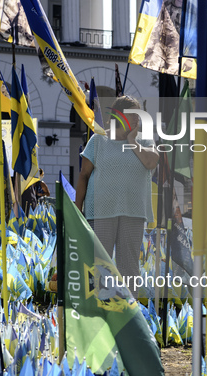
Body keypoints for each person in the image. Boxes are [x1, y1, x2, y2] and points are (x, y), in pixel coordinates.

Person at [76, 95, 159, 281]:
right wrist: (77, 208)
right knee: (99, 265)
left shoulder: (145, 141)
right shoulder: (98, 140)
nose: (137, 117)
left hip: (133, 212)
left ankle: (129, 308)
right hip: (100, 212)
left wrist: (132, 141)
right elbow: (83, 176)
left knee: (129, 267)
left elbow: (151, 162)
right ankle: (97, 308)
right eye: (133, 114)